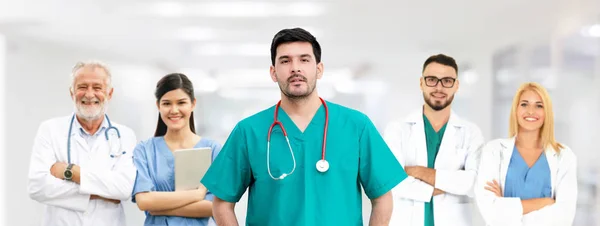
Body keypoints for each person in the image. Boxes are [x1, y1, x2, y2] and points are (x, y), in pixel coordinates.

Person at [200, 27, 406, 226]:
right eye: (285, 61)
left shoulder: (357, 126)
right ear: (273, 72)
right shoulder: (249, 131)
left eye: (304, 60)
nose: (295, 68)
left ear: (319, 69)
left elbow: (382, 197)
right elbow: (222, 204)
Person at [27, 61, 137, 226]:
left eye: (97, 87)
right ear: (72, 92)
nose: (90, 94)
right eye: (82, 87)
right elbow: (37, 187)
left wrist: (71, 173)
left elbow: (124, 188)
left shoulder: (125, 135)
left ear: (110, 93)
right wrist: (101, 192)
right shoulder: (50, 130)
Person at [384, 54, 485, 226]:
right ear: (421, 83)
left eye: (447, 81)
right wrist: (450, 184)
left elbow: (474, 182)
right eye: (432, 79)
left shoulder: (471, 132)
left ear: (456, 86)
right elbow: (393, 180)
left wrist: (419, 172)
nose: (439, 87)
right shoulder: (397, 129)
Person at [474, 82, 578, 226]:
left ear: (546, 112)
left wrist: (506, 207)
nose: (530, 111)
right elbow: (490, 211)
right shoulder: (493, 151)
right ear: (515, 110)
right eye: (524, 104)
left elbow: (564, 216)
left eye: (539, 105)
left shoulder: (563, 156)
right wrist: (545, 203)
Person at [131, 73, 222, 226]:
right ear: (158, 106)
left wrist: (158, 207)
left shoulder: (212, 150)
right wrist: (198, 194)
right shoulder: (144, 150)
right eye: (167, 104)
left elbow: (214, 207)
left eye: (181, 103)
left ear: (193, 104)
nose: (174, 110)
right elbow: (144, 201)